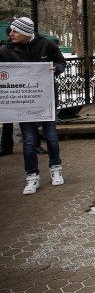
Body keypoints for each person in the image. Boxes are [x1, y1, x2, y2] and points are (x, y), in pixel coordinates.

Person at [0, 17, 66, 194]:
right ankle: (32, 176)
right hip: (23, 102)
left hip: (45, 101)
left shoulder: (46, 45)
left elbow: (61, 62)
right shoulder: (6, 50)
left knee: (51, 136)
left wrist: (56, 69)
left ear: (26, 33)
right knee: (28, 141)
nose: (11, 34)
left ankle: (55, 168)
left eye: (15, 31)